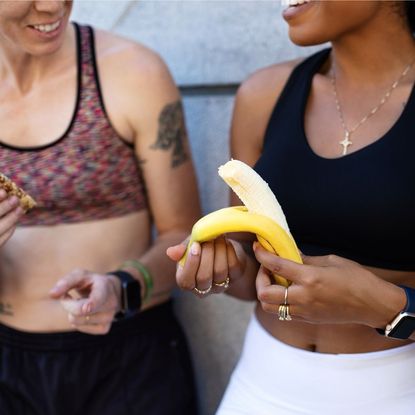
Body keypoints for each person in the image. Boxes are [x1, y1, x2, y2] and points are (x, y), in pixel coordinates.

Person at [167, 1, 415, 413]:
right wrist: (223, 268)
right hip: (263, 383)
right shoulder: (264, 95)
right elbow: (249, 280)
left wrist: (384, 306)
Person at [0, 1, 201, 414]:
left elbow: (186, 234)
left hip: (129, 361)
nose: (53, 5)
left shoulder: (132, 72)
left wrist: (124, 287)